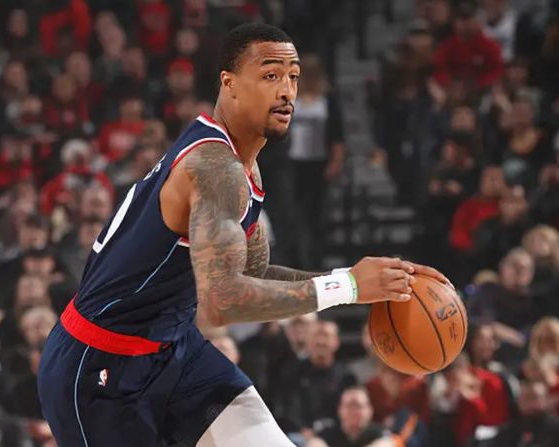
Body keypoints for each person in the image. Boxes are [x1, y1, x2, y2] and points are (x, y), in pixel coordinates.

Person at [37, 23, 449, 447]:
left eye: (293, 76)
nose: (287, 91)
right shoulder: (216, 169)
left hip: (172, 350)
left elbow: (252, 274)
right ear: (229, 83)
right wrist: (347, 287)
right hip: (98, 367)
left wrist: (360, 283)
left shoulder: (243, 166)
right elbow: (223, 301)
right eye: (271, 75)